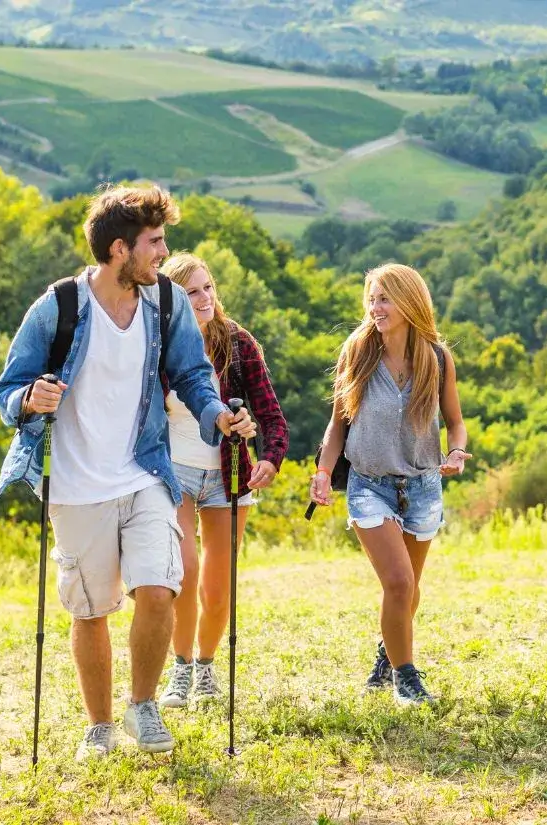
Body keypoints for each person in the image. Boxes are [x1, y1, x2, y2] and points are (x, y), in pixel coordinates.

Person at [0, 185, 256, 760]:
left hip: (144, 471)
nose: (163, 253)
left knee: (160, 588)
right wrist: (29, 399)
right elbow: (6, 389)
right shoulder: (59, 307)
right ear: (118, 250)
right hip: (78, 484)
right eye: (154, 243)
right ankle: (100, 726)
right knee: (90, 609)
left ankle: (143, 705)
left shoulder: (164, 302)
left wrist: (218, 415)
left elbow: (192, 374)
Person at [308, 263, 472, 705]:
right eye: (372, 298)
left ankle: (387, 653)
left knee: (409, 590)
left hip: (422, 485)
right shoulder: (357, 352)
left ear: (409, 301)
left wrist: (456, 452)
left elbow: (456, 424)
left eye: (385, 299)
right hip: (369, 485)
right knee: (398, 583)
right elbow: (337, 426)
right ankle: (407, 677)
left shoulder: (436, 357)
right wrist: (323, 472)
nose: (375, 308)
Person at [157, 253, 288, 709]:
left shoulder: (237, 343)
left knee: (218, 585)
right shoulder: (158, 345)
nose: (205, 298)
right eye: (192, 291)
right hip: (175, 468)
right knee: (185, 570)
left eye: (208, 287)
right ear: (173, 299)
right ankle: (180, 670)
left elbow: (270, 414)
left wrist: (269, 459)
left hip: (230, 473)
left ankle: (207, 667)